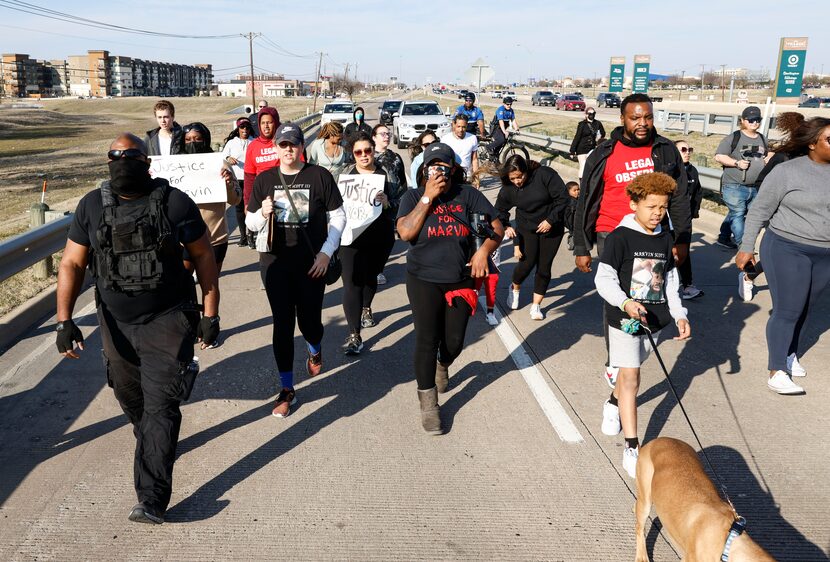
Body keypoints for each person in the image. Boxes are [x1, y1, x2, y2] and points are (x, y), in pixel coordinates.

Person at [55, 133, 220, 525]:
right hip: (115, 324)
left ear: (147, 162)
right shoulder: (92, 205)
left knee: (162, 406)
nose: (121, 160)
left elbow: (203, 257)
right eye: (114, 155)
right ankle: (153, 444)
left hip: (169, 318)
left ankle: (151, 499)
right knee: (132, 398)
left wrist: (209, 313)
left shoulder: (175, 202)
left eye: (130, 155)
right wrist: (65, 321)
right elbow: (72, 264)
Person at [573, 92, 691, 389]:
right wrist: (581, 245)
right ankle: (617, 359)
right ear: (622, 118)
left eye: (648, 117)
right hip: (610, 232)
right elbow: (587, 198)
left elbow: (678, 198)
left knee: (648, 294)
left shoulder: (665, 150)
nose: (642, 123)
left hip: (651, 233)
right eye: (635, 118)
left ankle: (633, 352)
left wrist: (681, 239)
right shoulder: (604, 152)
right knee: (616, 294)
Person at [396, 142, 504, 434]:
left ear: (453, 169)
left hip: (460, 279)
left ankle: (444, 364)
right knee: (426, 339)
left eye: (444, 166)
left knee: (454, 341)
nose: (439, 171)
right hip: (423, 279)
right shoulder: (413, 196)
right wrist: (428, 198)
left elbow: (498, 229)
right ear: (424, 169)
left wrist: (482, 253)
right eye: (433, 166)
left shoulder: (467, 194)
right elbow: (405, 232)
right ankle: (429, 404)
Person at [245, 123, 346, 417]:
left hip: (312, 264)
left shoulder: (318, 176)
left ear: (302, 147)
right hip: (275, 264)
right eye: (282, 144)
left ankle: (315, 347)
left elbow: (338, 217)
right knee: (283, 325)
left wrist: (327, 253)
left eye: (293, 144)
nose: (288, 150)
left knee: (310, 323)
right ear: (275, 147)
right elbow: (250, 224)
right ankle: (287, 388)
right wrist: (262, 213)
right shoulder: (265, 180)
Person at [594, 172, 690, 478]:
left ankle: (613, 401)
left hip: (656, 320)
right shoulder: (620, 237)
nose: (657, 213)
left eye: (662, 208)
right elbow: (604, 279)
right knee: (632, 377)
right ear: (634, 203)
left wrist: (679, 314)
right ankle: (632, 445)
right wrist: (625, 303)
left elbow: (670, 281)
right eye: (651, 207)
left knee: (629, 371)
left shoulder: (664, 237)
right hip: (624, 320)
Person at [735, 116, 830, 396]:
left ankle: (790, 354)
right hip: (787, 247)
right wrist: (747, 246)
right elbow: (760, 211)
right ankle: (777, 370)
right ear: (812, 144)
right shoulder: (788, 171)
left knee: (805, 309)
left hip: (824, 253)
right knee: (788, 309)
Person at [338, 132, 402, 354]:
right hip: (350, 238)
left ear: (373, 150)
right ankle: (355, 335)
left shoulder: (387, 174)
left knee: (370, 276)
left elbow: (402, 202)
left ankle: (366, 306)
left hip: (379, 236)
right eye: (358, 152)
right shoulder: (345, 174)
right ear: (353, 154)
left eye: (368, 150)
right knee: (351, 282)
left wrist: (388, 203)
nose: (364, 155)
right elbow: (333, 203)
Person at [496, 155, 569, 320]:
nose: (517, 181)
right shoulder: (508, 188)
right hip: (526, 228)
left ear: (526, 171)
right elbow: (499, 210)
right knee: (527, 264)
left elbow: (563, 198)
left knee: (544, 267)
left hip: (552, 227)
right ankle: (514, 287)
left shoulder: (544, 175)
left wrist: (551, 219)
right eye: (513, 178)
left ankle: (536, 306)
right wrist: (506, 226)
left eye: (520, 176)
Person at [181, 122, 241, 275]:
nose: (192, 143)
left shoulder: (220, 164)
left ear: (205, 139)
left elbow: (236, 200)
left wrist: (228, 184)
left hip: (215, 238)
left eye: (197, 138)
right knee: (183, 285)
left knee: (211, 285)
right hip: (184, 239)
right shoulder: (176, 166)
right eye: (188, 140)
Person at [714, 105, 774, 251]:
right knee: (738, 213)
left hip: (755, 186)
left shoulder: (762, 138)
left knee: (738, 213)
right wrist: (736, 163)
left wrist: (769, 157)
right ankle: (744, 246)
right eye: (751, 120)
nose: (754, 122)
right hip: (734, 185)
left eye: (757, 119)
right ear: (743, 120)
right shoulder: (733, 138)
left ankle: (723, 237)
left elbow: (767, 154)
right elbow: (719, 156)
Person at [372, 123, 408, 285]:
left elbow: (403, 183)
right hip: (372, 205)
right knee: (372, 240)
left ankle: (378, 268)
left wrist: (402, 202)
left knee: (388, 240)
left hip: (391, 205)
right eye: (382, 134)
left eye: (388, 134)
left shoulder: (395, 157)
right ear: (374, 137)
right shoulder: (368, 155)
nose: (386, 136)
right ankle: (373, 270)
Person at [674, 140, 703, 300]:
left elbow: (698, 192)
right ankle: (658, 285)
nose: (687, 152)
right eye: (683, 149)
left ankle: (687, 285)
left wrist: (693, 212)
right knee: (666, 252)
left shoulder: (693, 171)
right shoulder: (670, 170)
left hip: (685, 220)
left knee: (684, 253)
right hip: (668, 219)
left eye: (689, 149)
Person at [222, 117, 254, 247]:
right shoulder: (231, 143)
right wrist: (228, 158)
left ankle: (252, 234)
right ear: (238, 128)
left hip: (251, 179)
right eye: (242, 127)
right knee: (239, 209)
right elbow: (223, 156)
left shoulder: (254, 142)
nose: (245, 129)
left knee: (251, 208)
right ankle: (243, 236)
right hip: (237, 179)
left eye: (247, 127)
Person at [243, 106, 281, 209]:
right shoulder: (253, 146)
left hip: (284, 194)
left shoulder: (285, 143)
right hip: (261, 196)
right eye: (263, 123)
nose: (266, 126)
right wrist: (247, 203)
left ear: (276, 122)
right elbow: (249, 178)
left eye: (269, 122)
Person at [570, 108, 606, 180]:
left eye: (593, 113)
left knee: (591, 167)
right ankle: (582, 184)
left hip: (592, 148)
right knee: (583, 166)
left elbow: (603, 133)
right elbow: (577, 137)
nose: (592, 115)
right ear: (586, 114)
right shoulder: (582, 124)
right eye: (590, 113)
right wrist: (572, 151)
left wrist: (598, 139)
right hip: (582, 148)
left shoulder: (598, 123)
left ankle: (590, 184)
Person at [441, 114, 479, 181]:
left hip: (467, 177)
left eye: (463, 127)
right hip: (451, 176)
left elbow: (474, 159)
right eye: (458, 126)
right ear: (454, 124)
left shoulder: (473, 138)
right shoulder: (445, 139)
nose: (461, 130)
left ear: (467, 125)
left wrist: (476, 177)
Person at [563, 180, 579, 251]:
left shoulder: (577, 200)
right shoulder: (571, 202)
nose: (577, 192)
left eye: (578, 189)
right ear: (568, 191)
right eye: (574, 190)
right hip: (572, 223)